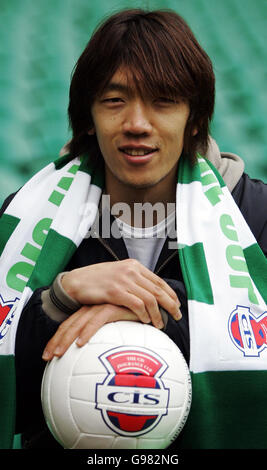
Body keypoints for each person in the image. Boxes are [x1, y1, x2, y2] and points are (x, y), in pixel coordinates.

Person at [0, 9, 266, 450]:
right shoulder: (22, 218)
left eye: (163, 101)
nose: (137, 124)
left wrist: (161, 310)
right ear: (87, 117)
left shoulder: (254, 215)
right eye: (114, 100)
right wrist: (55, 303)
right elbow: (13, 397)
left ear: (194, 118)